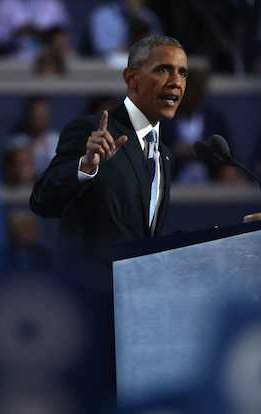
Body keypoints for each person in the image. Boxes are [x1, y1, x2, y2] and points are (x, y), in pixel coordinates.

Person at [30, 35, 186, 268]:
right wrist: (85, 167)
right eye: (164, 69)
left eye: (182, 73)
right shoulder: (91, 131)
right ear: (131, 78)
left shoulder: (164, 155)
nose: (176, 81)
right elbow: (42, 201)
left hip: (135, 295)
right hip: (88, 297)